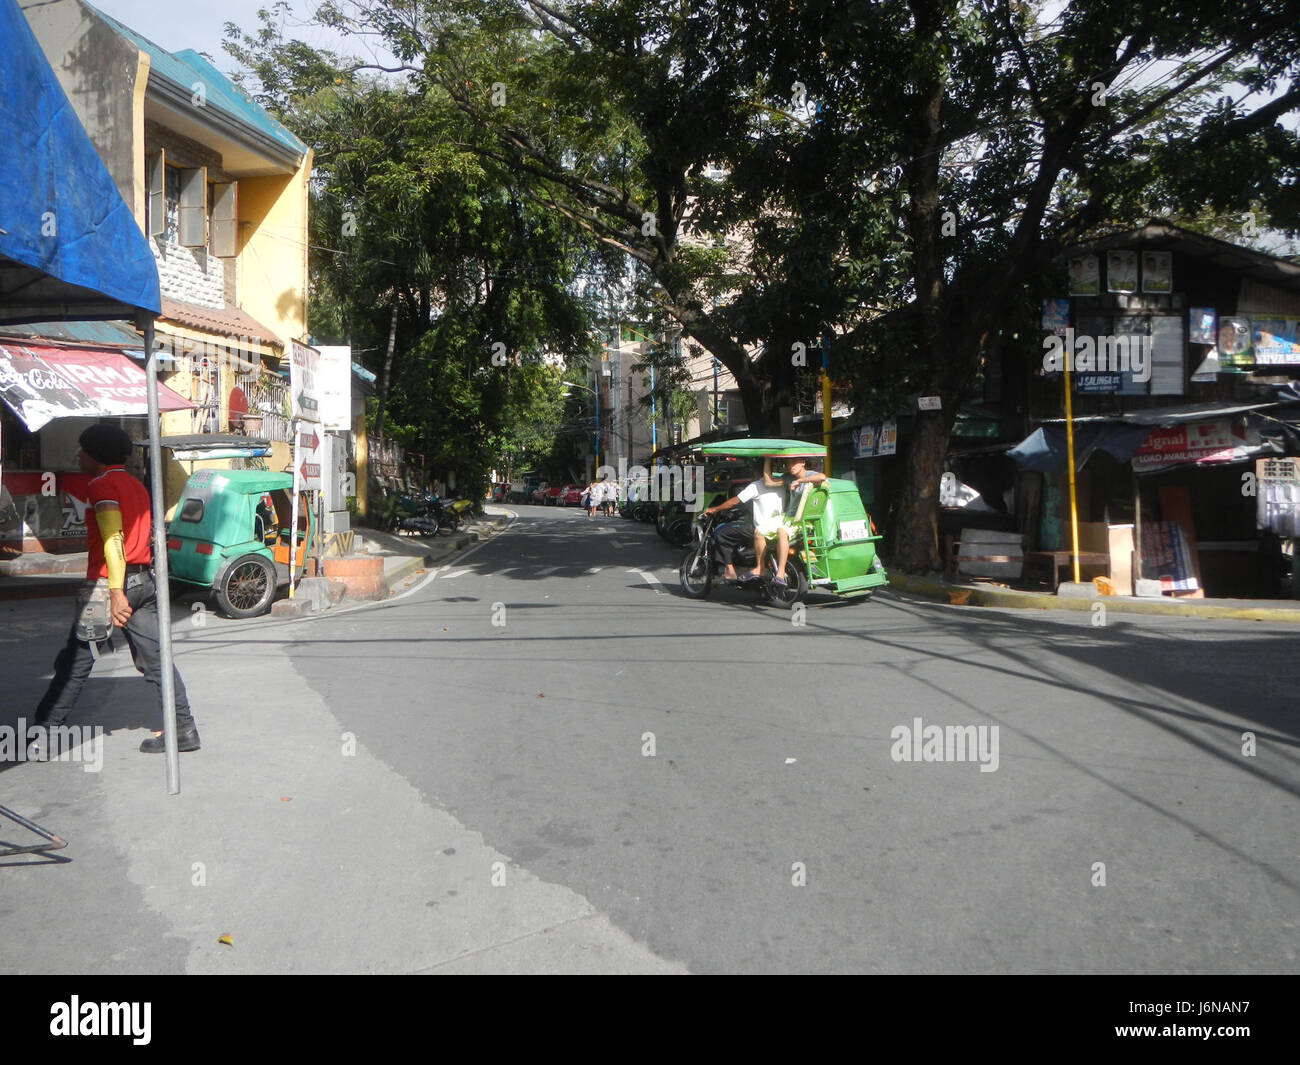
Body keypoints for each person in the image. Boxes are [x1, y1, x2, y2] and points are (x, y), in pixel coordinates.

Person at [30, 424, 200, 755]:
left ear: (95, 454)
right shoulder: (136, 485)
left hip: (107, 588)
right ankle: (184, 730)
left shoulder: (102, 485)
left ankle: (43, 737)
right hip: (143, 584)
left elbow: (113, 539)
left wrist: (115, 590)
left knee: (76, 665)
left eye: (82, 449)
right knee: (158, 661)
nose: (77, 454)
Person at [701, 461, 785, 582]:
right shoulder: (780, 483)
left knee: (721, 533)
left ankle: (730, 571)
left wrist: (715, 509)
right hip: (778, 525)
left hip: (761, 527)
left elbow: (735, 501)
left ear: (756, 472)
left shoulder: (756, 485)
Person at [763, 457, 827, 585]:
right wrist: (767, 460)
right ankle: (759, 569)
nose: (790, 466)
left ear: (803, 462)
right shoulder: (788, 477)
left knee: (782, 532)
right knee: (759, 531)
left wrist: (800, 481)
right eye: (788, 463)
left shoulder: (810, 475)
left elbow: (822, 477)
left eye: (793, 463)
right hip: (788, 518)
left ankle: (780, 573)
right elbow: (769, 483)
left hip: (802, 520)